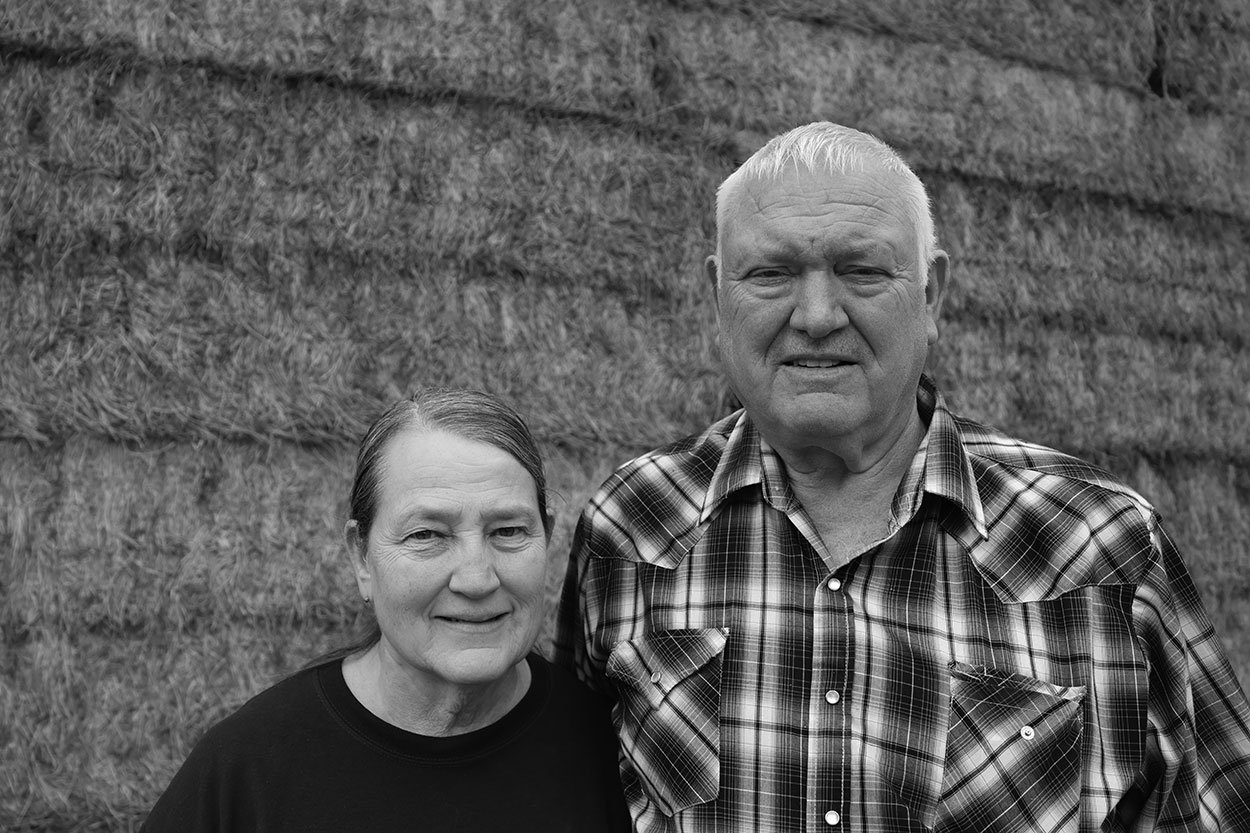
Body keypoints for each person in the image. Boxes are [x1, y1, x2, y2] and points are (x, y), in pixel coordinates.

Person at [555, 122, 1250, 832]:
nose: (817, 316)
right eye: (769, 274)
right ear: (716, 296)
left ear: (932, 295)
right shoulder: (631, 525)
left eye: (861, 271)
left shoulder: (1100, 543)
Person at [143, 388, 631, 833]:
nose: (477, 578)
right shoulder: (246, 772)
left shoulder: (617, 753)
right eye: (426, 535)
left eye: (508, 531)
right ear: (361, 557)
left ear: (547, 536)